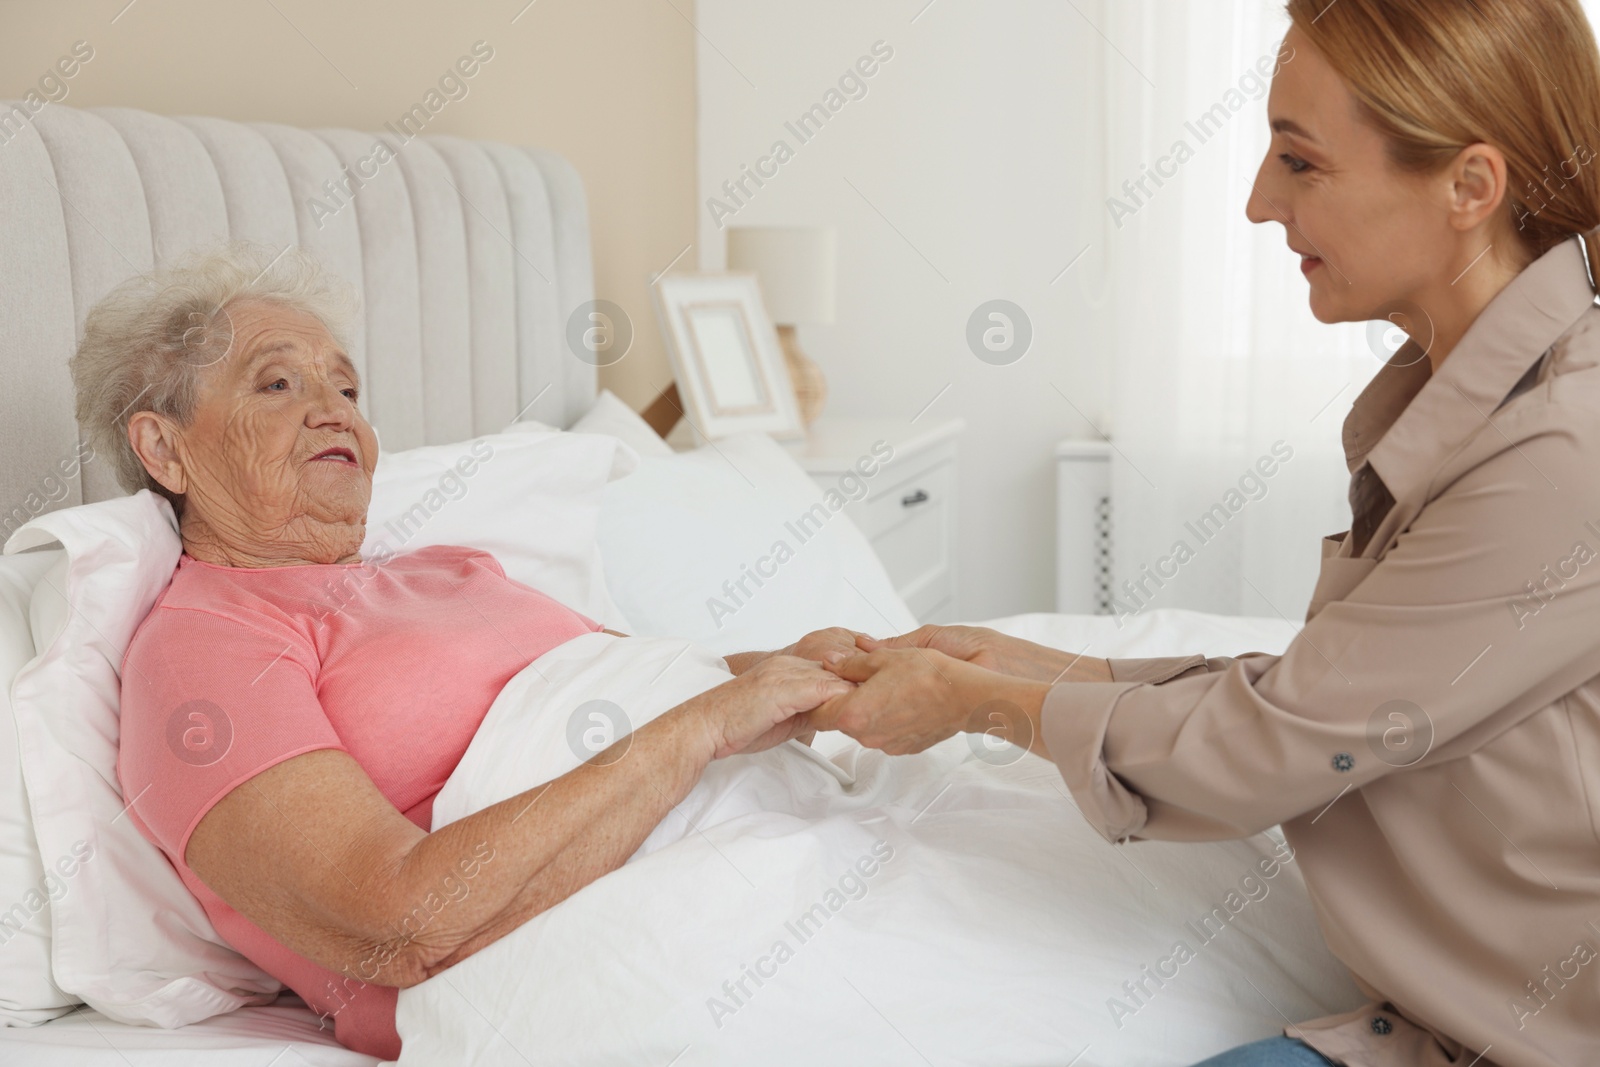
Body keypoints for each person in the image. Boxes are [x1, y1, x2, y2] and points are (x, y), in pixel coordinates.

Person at [811, 2, 1600, 1064]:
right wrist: (1025, 660)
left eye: (1298, 161)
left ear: (1470, 186)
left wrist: (981, 702)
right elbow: (1340, 687)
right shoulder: (1484, 393)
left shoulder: (1560, 450)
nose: (1257, 202)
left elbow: (1282, 741)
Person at [82, 244, 860, 1059]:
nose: (336, 410)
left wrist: (810, 670)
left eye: (347, 387)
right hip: (614, 946)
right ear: (165, 449)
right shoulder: (202, 651)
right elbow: (402, 927)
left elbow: (657, 687)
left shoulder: (448, 567)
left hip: (763, 820)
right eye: (279, 384)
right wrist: (708, 725)